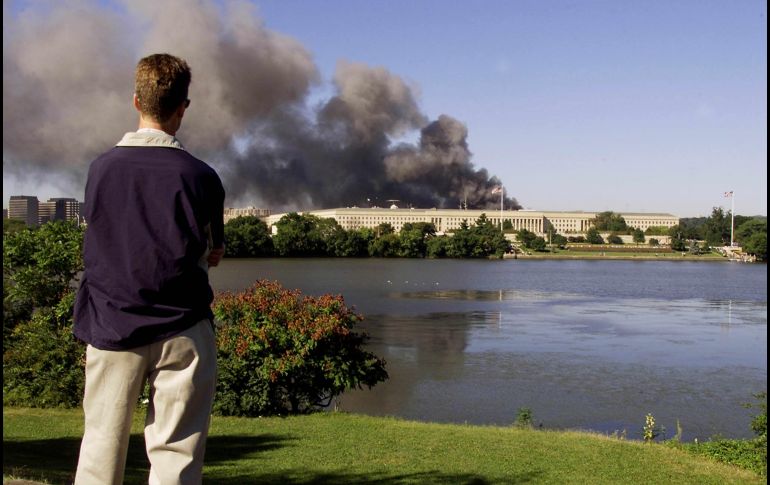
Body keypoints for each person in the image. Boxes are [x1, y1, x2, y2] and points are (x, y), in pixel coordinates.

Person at [73, 53, 225, 485]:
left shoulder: (100, 169)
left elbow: (100, 234)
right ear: (183, 106)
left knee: (101, 443)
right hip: (183, 326)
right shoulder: (202, 177)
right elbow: (213, 251)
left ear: (135, 101)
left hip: (111, 322)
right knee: (176, 452)